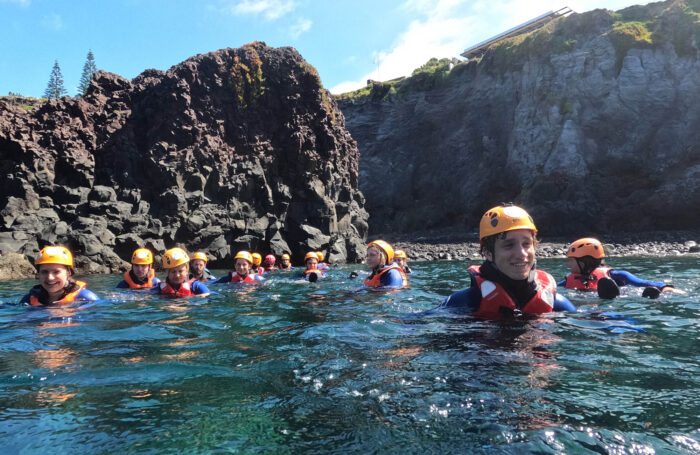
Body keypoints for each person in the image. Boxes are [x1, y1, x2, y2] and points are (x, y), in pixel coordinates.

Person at [437, 205, 575, 317]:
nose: (521, 254)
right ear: (488, 253)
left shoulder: (553, 303)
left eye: (527, 244)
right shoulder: (465, 302)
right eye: (509, 245)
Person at [559, 237, 683, 299]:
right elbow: (551, 286)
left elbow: (642, 283)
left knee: (636, 292)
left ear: (584, 261)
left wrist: (666, 288)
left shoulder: (617, 276)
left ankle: (648, 298)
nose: (568, 265)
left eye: (571, 261)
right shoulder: (569, 281)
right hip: (590, 307)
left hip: (623, 297)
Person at [20, 246, 98, 306]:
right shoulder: (28, 300)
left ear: (68, 273)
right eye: (44, 272)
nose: (50, 277)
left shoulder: (87, 298)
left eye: (56, 272)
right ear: (38, 274)